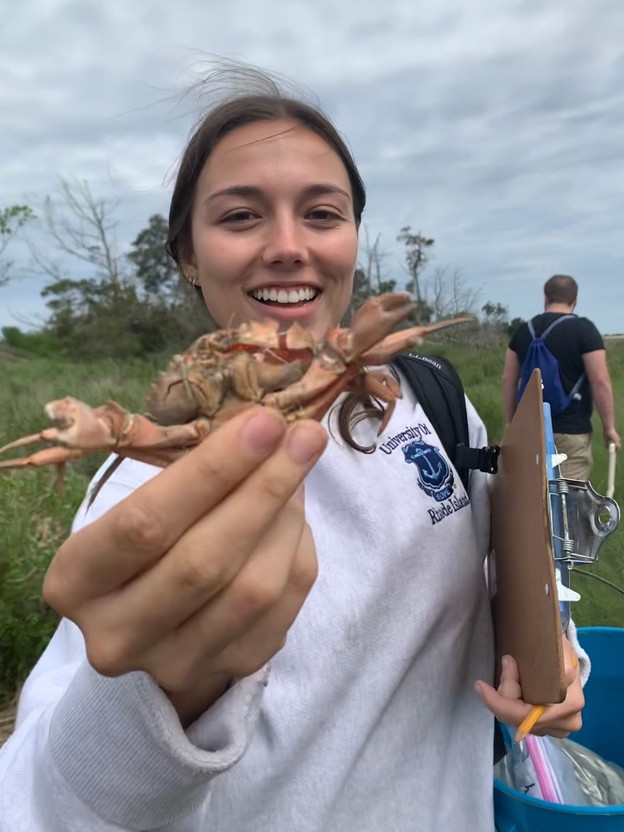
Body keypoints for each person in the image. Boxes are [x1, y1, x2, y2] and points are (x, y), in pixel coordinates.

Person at [0, 69, 586, 832]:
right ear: (186, 254)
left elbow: (514, 582)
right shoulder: (142, 495)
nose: (287, 246)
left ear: (352, 237)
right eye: (241, 216)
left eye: (321, 213)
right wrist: (159, 702)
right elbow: (41, 801)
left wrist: (551, 666)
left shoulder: (436, 403)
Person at [502, 274, 621, 481]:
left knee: (532, 499)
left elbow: (508, 380)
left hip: (529, 431)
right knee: (567, 500)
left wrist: (512, 422)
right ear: (575, 300)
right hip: (571, 432)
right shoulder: (584, 330)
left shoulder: (523, 331)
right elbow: (600, 382)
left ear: (545, 298)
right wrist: (609, 427)